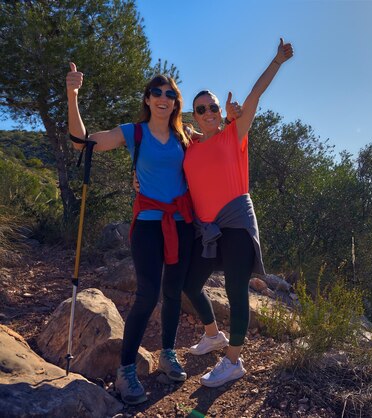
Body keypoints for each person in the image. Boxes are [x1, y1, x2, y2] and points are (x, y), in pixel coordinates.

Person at [66, 65, 237, 404]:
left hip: (182, 224)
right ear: (147, 99)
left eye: (170, 93)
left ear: (176, 102)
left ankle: (168, 354)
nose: (163, 98)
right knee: (147, 294)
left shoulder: (185, 136)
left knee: (173, 292)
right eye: (157, 93)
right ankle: (126, 368)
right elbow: (81, 142)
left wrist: (230, 120)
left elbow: (220, 146)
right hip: (147, 224)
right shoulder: (134, 132)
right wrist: (72, 96)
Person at [181, 38, 294, 388]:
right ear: (194, 116)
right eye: (201, 109)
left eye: (212, 106)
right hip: (207, 229)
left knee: (235, 290)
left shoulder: (234, 133)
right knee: (190, 283)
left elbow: (256, 95)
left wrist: (276, 61)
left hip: (236, 223)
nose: (209, 112)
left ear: (219, 109)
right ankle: (213, 335)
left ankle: (233, 360)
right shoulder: (190, 146)